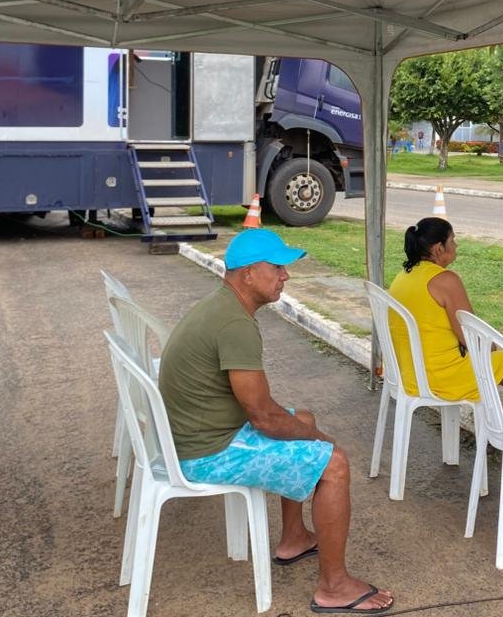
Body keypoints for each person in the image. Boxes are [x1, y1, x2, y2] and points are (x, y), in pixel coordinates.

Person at [158, 228, 393, 615]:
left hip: (198, 435)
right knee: (333, 464)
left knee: (302, 418)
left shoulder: (223, 307)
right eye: (278, 267)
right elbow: (264, 417)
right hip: (206, 453)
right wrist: (320, 440)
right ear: (248, 273)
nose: (286, 276)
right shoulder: (234, 324)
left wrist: (305, 429)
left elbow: (267, 412)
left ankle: (294, 538)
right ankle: (334, 587)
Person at [386, 217, 503, 412]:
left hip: (408, 375)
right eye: (452, 240)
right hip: (438, 378)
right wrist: (493, 350)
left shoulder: (403, 276)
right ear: (438, 248)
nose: (456, 245)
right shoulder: (445, 280)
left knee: (499, 365)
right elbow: (471, 337)